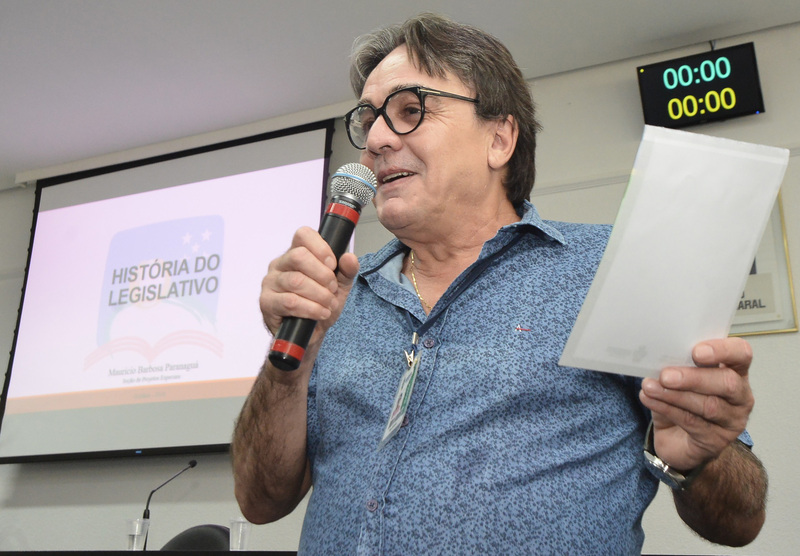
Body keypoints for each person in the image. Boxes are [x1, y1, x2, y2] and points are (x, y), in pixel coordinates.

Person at [232, 13, 767, 554]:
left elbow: (740, 521)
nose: (374, 139)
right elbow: (261, 501)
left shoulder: (612, 269)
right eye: (368, 120)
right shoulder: (336, 296)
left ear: (500, 139)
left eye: (410, 111)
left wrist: (701, 459)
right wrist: (289, 366)